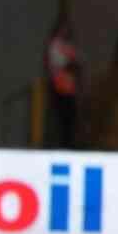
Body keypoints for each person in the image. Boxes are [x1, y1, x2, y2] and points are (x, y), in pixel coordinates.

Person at [44, 14, 81, 149]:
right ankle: (61, 145)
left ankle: (69, 144)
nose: (66, 30)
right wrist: (72, 65)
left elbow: (76, 65)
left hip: (70, 88)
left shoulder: (69, 45)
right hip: (59, 87)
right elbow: (62, 64)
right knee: (61, 118)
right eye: (64, 27)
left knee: (70, 119)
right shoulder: (55, 44)